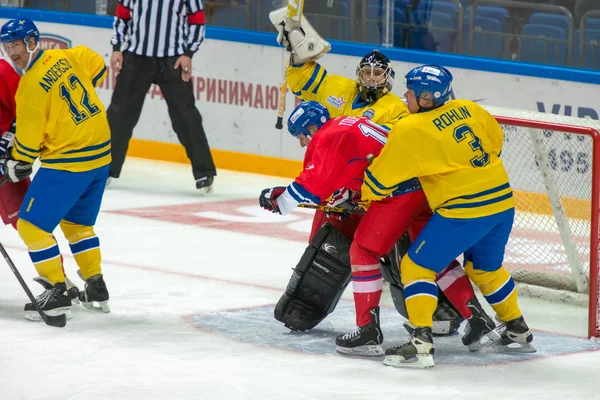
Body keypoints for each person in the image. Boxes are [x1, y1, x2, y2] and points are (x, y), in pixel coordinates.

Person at [259, 101, 493, 356]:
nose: (303, 143)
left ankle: (368, 332)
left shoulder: (327, 136)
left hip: (398, 194)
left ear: (312, 127)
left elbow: (313, 186)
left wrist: (280, 201)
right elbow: (359, 164)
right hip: (426, 187)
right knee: (432, 258)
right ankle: (478, 318)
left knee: (363, 252)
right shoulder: (351, 123)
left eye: (301, 136)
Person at [362, 64, 535, 369]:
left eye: (411, 92)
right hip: (502, 203)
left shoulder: (410, 128)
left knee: (416, 265)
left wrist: (367, 182)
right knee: (484, 268)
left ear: (425, 98)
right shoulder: (469, 108)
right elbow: (495, 144)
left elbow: (378, 183)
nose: (405, 95)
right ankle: (518, 329)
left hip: (464, 210)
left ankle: (420, 345)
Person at [0, 18, 112, 320]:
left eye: (17, 45)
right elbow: (96, 64)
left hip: (69, 163)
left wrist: (13, 163)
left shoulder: (30, 88)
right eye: (7, 46)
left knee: (31, 226)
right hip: (101, 158)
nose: (13, 52)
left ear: (33, 42)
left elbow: (26, 147)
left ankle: (58, 291)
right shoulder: (68, 56)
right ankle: (95, 285)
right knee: (77, 225)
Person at [108, 0, 216, 193]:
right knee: (119, 115)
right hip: (136, 57)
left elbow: (197, 21)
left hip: (172, 60)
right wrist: (117, 47)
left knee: (186, 116)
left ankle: (204, 173)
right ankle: (104, 169)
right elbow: (122, 16)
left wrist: (189, 53)